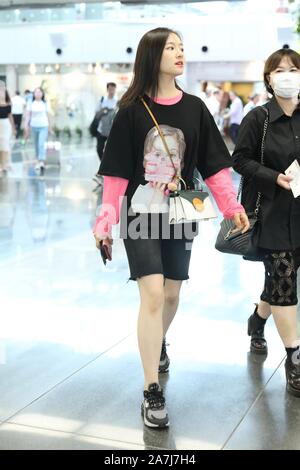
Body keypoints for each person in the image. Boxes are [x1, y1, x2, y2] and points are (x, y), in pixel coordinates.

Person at [93, 27, 249, 428]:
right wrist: (106, 218)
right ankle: (150, 388)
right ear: (152, 56)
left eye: (182, 47)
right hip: (141, 213)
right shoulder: (130, 111)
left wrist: (232, 207)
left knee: (173, 294)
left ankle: (156, 341)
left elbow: (214, 166)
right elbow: (114, 175)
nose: (180, 53)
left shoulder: (196, 107)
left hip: (181, 210)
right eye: (170, 47)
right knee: (154, 294)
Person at [233, 48, 300, 397]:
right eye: (280, 70)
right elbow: (239, 160)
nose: (287, 75)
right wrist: (274, 177)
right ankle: (294, 358)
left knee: (281, 279)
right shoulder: (257, 118)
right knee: (285, 280)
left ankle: (258, 319)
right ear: (269, 78)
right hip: (272, 215)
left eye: (293, 69)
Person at [93, 82, 118, 187]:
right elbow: (96, 113)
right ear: (107, 89)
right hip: (101, 129)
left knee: (110, 151)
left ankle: (104, 171)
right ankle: (104, 169)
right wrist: (103, 110)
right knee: (99, 149)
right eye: (110, 89)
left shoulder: (116, 101)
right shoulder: (102, 100)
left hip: (112, 130)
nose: (112, 91)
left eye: (113, 89)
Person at [24, 87, 51, 175]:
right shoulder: (31, 103)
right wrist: (26, 126)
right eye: (36, 92)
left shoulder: (45, 103)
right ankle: (37, 161)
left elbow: (48, 115)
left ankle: (41, 161)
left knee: (41, 143)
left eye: (40, 92)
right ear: (34, 93)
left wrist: (50, 127)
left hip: (44, 126)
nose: (38, 93)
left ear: (42, 94)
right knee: (36, 144)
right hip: (33, 126)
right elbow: (28, 115)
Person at [0, 81, 16, 175]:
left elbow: (10, 117)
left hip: (6, 125)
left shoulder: (8, 104)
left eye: (2, 90)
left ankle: (4, 165)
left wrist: (13, 128)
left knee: (5, 145)